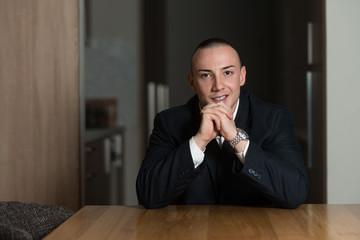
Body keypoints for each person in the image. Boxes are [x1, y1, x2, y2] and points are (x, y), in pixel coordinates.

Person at [136, 38, 308, 209]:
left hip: (255, 232)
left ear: (242, 76)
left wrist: (236, 138)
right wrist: (199, 140)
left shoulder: (274, 119)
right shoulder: (169, 123)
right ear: (192, 82)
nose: (218, 86)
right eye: (205, 75)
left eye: (227, 73)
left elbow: (295, 193)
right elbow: (148, 194)